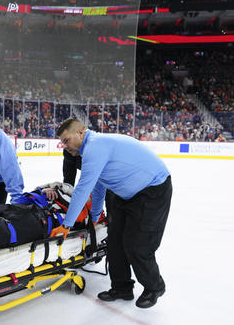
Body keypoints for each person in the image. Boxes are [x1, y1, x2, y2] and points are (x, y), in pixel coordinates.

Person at [52, 118, 172, 309]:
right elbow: (99, 186)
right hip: (124, 193)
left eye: (66, 140)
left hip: (152, 189)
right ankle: (122, 287)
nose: (64, 146)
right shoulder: (91, 150)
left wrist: (67, 224)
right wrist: (94, 218)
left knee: (137, 244)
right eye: (62, 142)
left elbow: (83, 189)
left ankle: (154, 287)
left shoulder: (94, 147)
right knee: (115, 241)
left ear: (81, 133)